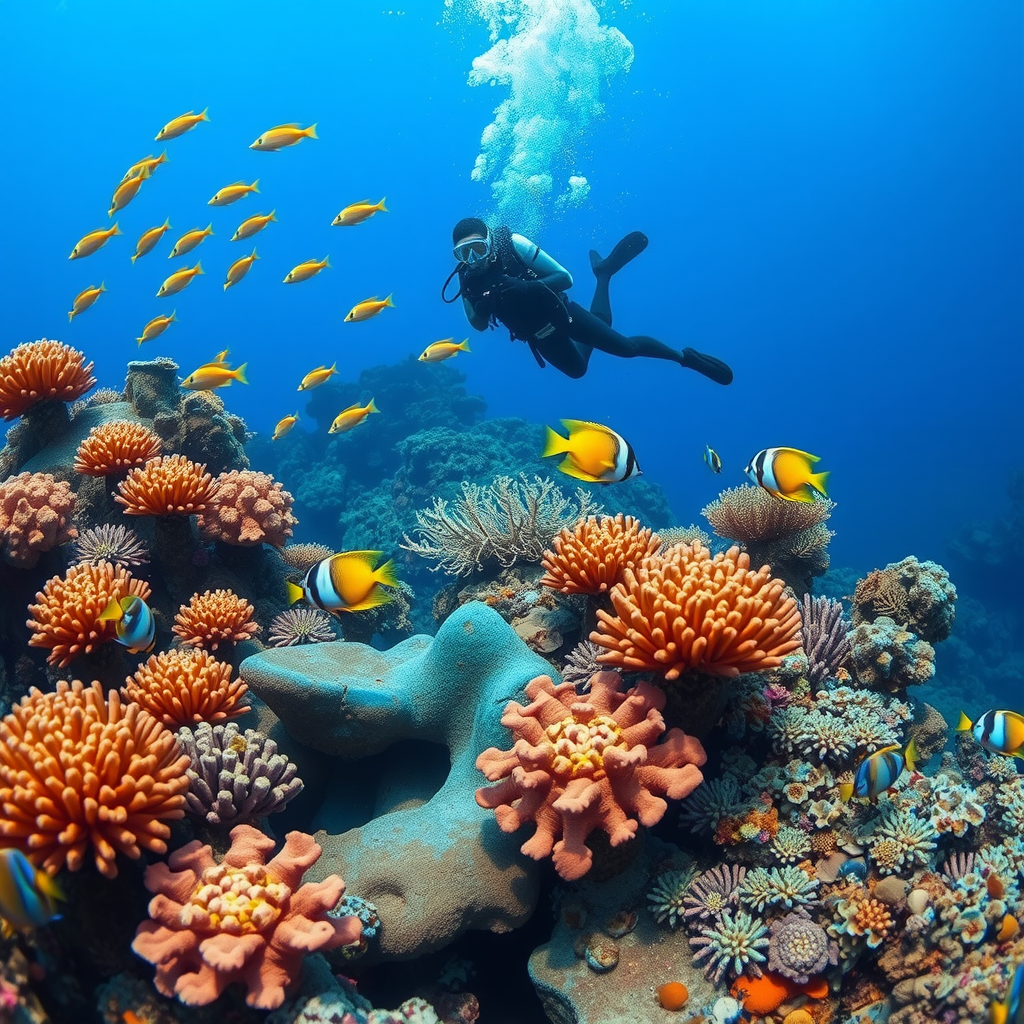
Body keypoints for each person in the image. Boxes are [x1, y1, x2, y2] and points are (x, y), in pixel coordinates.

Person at [448, 218, 733, 384]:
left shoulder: (512, 245)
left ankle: (685, 358)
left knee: (627, 348)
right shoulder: (467, 277)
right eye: (464, 253)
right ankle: (604, 273)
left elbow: (565, 278)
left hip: (562, 314)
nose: (473, 259)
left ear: (490, 243)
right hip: (537, 336)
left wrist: (526, 287)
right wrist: (482, 310)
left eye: (478, 248)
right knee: (578, 371)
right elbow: (477, 325)